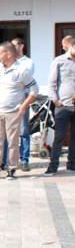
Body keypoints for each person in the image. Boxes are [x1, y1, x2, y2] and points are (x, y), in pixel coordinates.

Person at [0, 42, 38, 180]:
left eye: (0, 53)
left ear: (9, 54)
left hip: (13, 112)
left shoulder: (21, 70)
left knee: (13, 142)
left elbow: (34, 90)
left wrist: (23, 106)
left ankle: (11, 169)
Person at [43, 36, 75, 176]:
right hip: (63, 105)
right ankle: (53, 166)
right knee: (59, 137)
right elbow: (51, 83)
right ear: (71, 46)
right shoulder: (59, 61)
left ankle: (72, 164)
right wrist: (55, 100)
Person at [11, 37, 34, 171]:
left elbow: (24, 78)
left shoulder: (28, 62)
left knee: (24, 130)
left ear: (21, 46)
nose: (13, 48)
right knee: (10, 130)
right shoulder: (9, 62)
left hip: (23, 97)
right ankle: (10, 159)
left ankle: (24, 159)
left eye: (15, 45)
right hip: (10, 98)